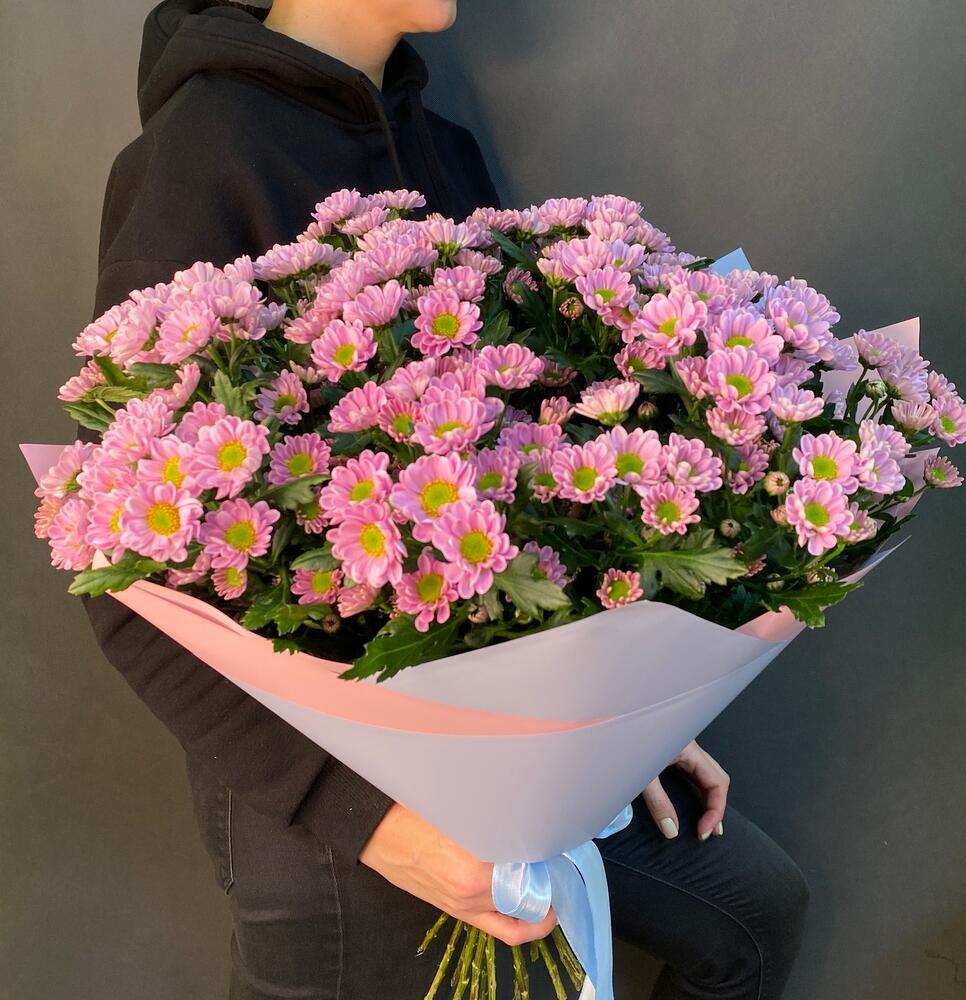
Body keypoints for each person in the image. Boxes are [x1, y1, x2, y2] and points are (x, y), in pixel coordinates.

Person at [82, 1, 811, 997]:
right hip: (319, 801)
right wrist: (374, 820)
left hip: (498, 738)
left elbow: (514, 464)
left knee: (755, 916)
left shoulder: (443, 149)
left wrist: (616, 722)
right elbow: (122, 582)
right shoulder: (203, 154)